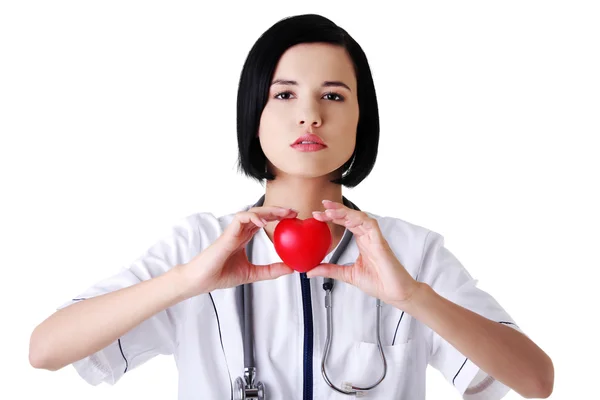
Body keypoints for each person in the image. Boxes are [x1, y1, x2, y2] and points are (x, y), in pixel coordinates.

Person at [28, 13, 554, 400]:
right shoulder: (197, 245)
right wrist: (189, 280)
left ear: (361, 120)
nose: (309, 116)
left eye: (333, 96)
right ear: (252, 114)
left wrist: (413, 295)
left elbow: (535, 381)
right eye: (284, 95)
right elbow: (45, 350)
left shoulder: (410, 252)